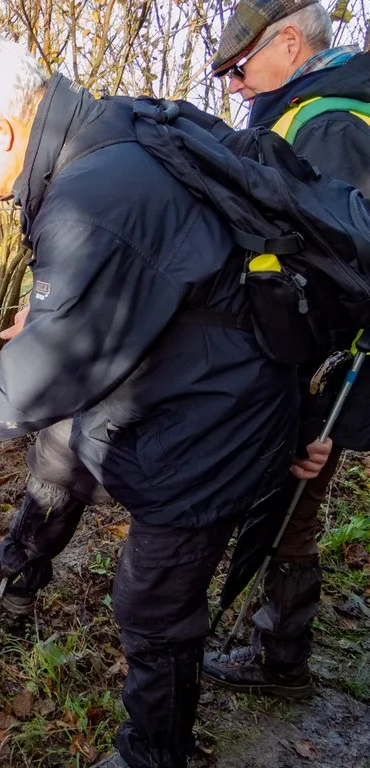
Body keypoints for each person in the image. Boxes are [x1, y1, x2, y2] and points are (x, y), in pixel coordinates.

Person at [0, 30, 310, 768]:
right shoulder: (111, 133)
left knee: (153, 601)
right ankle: (18, 568)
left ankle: (154, 754)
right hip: (200, 380)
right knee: (62, 448)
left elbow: (39, 382)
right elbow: (149, 276)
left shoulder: (91, 195)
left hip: (211, 418)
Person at [203, 0, 370, 698]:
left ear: (291, 43)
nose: (234, 86)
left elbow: (340, 279)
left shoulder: (326, 124)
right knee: (282, 498)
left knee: (292, 500)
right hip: (308, 363)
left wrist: (312, 413)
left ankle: (279, 657)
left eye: (239, 69)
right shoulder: (312, 113)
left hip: (318, 371)